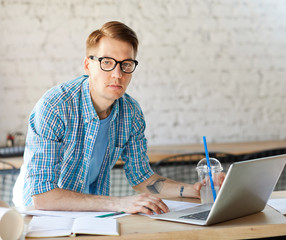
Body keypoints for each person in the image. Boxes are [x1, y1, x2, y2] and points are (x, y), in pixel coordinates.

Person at [13, 21, 215, 215]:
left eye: (126, 64)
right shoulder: (55, 107)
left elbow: (142, 178)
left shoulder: (131, 112)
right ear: (87, 65)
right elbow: (42, 196)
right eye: (107, 62)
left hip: (92, 212)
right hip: (41, 214)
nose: (117, 74)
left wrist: (193, 190)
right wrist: (119, 203)